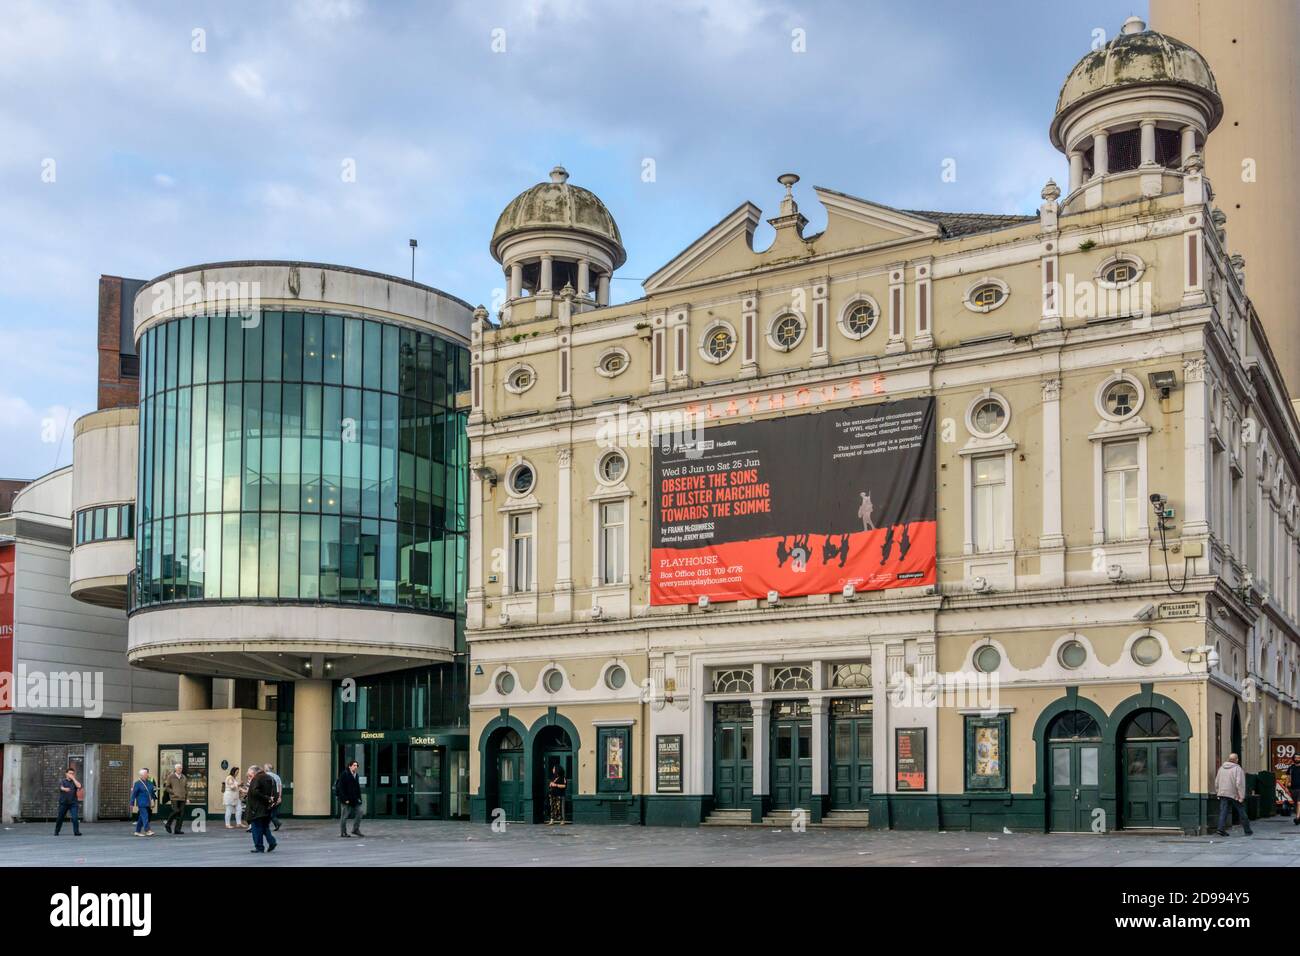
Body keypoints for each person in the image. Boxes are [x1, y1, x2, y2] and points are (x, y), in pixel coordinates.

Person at [1214, 752, 1253, 836]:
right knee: (1241, 811)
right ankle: (1247, 830)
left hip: (1223, 793)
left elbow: (1216, 781)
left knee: (1223, 812)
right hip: (1233, 794)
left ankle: (1220, 829)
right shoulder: (1237, 769)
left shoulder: (1221, 768)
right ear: (1236, 760)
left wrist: (1218, 792)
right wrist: (1241, 796)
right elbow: (1239, 783)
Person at [244, 764, 279, 854]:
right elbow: (275, 793)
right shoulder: (271, 778)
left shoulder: (256, 779)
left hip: (256, 808)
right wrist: (271, 801)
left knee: (256, 828)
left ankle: (259, 847)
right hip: (267, 808)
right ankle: (272, 842)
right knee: (264, 827)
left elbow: (254, 792)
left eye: (249, 775)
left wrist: (265, 797)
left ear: (254, 772)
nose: (249, 777)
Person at [336, 759, 364, 838]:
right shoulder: (344, 774)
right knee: (344, 816)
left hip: (355, 799)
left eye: (356, 766)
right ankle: (343, 832)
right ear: (350, 766)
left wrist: (359, 798)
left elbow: (357, 788)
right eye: (354, 765)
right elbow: (341, 788)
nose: (355, 767)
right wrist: (345, 799)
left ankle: (355, 829)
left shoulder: (356, 775)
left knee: (360, 812)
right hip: (346, 799)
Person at [54, 768, 82, 836]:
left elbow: (79, 786)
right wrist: (64, 789)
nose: (71, 775)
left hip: (73, 803)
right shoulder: (62, 781)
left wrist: (73, 779)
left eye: (72, 773)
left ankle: (76, 832)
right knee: (60, 818)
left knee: (75, 818)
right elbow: (61, 787)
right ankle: (56, 831)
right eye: (70, 773)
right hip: (64, 803)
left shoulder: (74, 782)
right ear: (66, 774)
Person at [162, 763, 188, 836]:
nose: (180, 769)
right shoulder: (171, 776)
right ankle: (168, 824)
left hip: (182, 798)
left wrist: (187, 798)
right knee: (176, 810)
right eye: (179, 768)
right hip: (174, 798)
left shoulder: (184, 777)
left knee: (181, 815)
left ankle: (177, 830)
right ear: (175, 769)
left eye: (181, 768)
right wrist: (173, 792)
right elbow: (167, 787)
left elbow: (186, 788)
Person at [130, 768, 156, 836]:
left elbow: (152, 793)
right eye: (145, 774)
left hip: (148, 802)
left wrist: (154, 800)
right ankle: (147, 830)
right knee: (145, 816)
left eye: (147, 773)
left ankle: (137, 831)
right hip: (141, 803)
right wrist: (131, 803)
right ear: (141, 775)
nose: (147, 774)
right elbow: (134, 794)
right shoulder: (137, 783)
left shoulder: (150, 783)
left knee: (141, 817)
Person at [264, 762, 283, 831]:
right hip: (276, 794)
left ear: (267, 768)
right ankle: (277, 823)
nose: (264, 768)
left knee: (267, 811)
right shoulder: (277, 776)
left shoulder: (265, 775)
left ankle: (276, 823)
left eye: (265, 766)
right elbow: (280, 786)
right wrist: (280, 796)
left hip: (269, 795)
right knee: (273, 811)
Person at [1290, 756, 1300, 826]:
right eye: (1296, 758)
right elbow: (1288, 776)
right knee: (1296, 803)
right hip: (1293, 788)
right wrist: (1286, 786)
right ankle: (1298, 816)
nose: (1297, 759)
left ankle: (1297, 818)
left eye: (1299, 758)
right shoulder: (1291, 768)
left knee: (1299, 803)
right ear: (1293, 759)